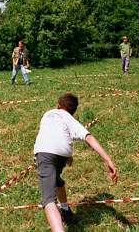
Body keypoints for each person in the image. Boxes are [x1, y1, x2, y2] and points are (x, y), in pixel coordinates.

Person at [34, 93, 118, 231]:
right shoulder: (69, 118)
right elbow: (88, 137)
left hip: (45, 153)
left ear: (58, 105)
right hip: (62, 153)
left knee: (48, 200)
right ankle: (65, 210)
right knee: (57, 181)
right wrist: (108, 160)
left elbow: (47, 134)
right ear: (73, 111)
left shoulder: (48, 114)